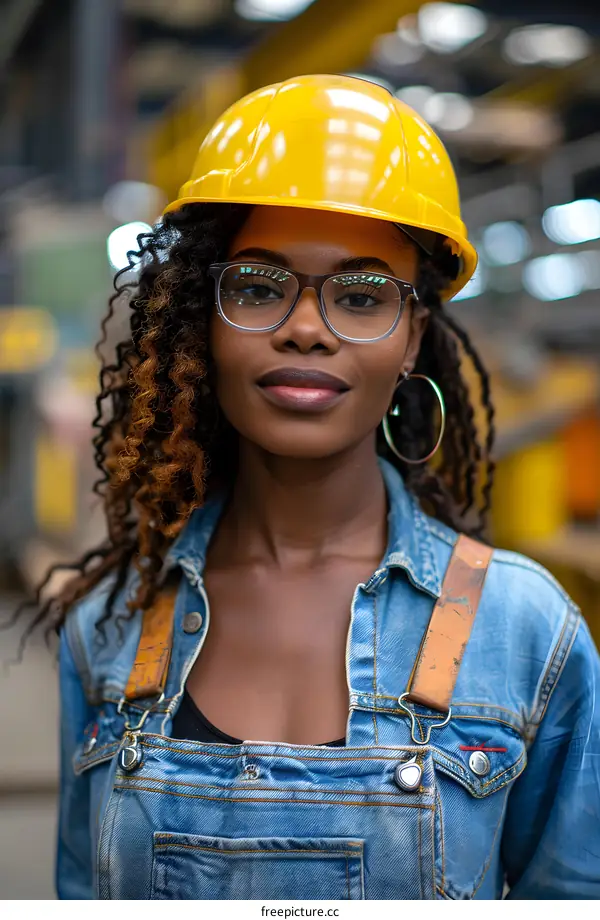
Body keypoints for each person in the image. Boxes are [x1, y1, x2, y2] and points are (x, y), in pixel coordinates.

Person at [44, 74, 598, 899]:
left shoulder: (525, 634)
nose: (306, 328)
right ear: (204, 315)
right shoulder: (108, 629)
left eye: (362, 295)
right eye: (260, 288)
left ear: (414, 334)